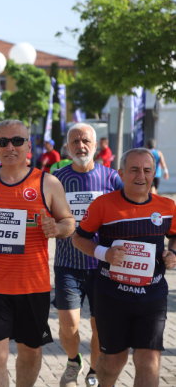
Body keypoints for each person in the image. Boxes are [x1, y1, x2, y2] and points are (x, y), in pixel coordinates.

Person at [0, 119, 75, 387]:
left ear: (29, 145)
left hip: (31, 283)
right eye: (2, 142)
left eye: (16, 141)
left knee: (30, 352)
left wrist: (56, 228)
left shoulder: (47, 182)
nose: (9, 147)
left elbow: (69, 223)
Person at [72, 148, 176, 387]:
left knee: (149, 360)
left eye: (147, 170)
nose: (141, 175)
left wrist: (173, 254)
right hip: (112, 294)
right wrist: (104, 253)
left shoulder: (168, 207)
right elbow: (79, 238)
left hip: (152, 295)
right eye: (134, 170)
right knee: (111, 362)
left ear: (153, 174)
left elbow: (175, 236)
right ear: (121, 173)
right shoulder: (103, 204)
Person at [52, 123, 123, 387]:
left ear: (96, 145)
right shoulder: (57, 179)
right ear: (67, 147)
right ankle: (74, 361)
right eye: (75, 142)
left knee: (98, 327)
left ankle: (94, 370)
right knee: (68, 326)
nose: (81, 146)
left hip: (102, 265)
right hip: (67, 263)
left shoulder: (112, 178)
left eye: (86, 141)